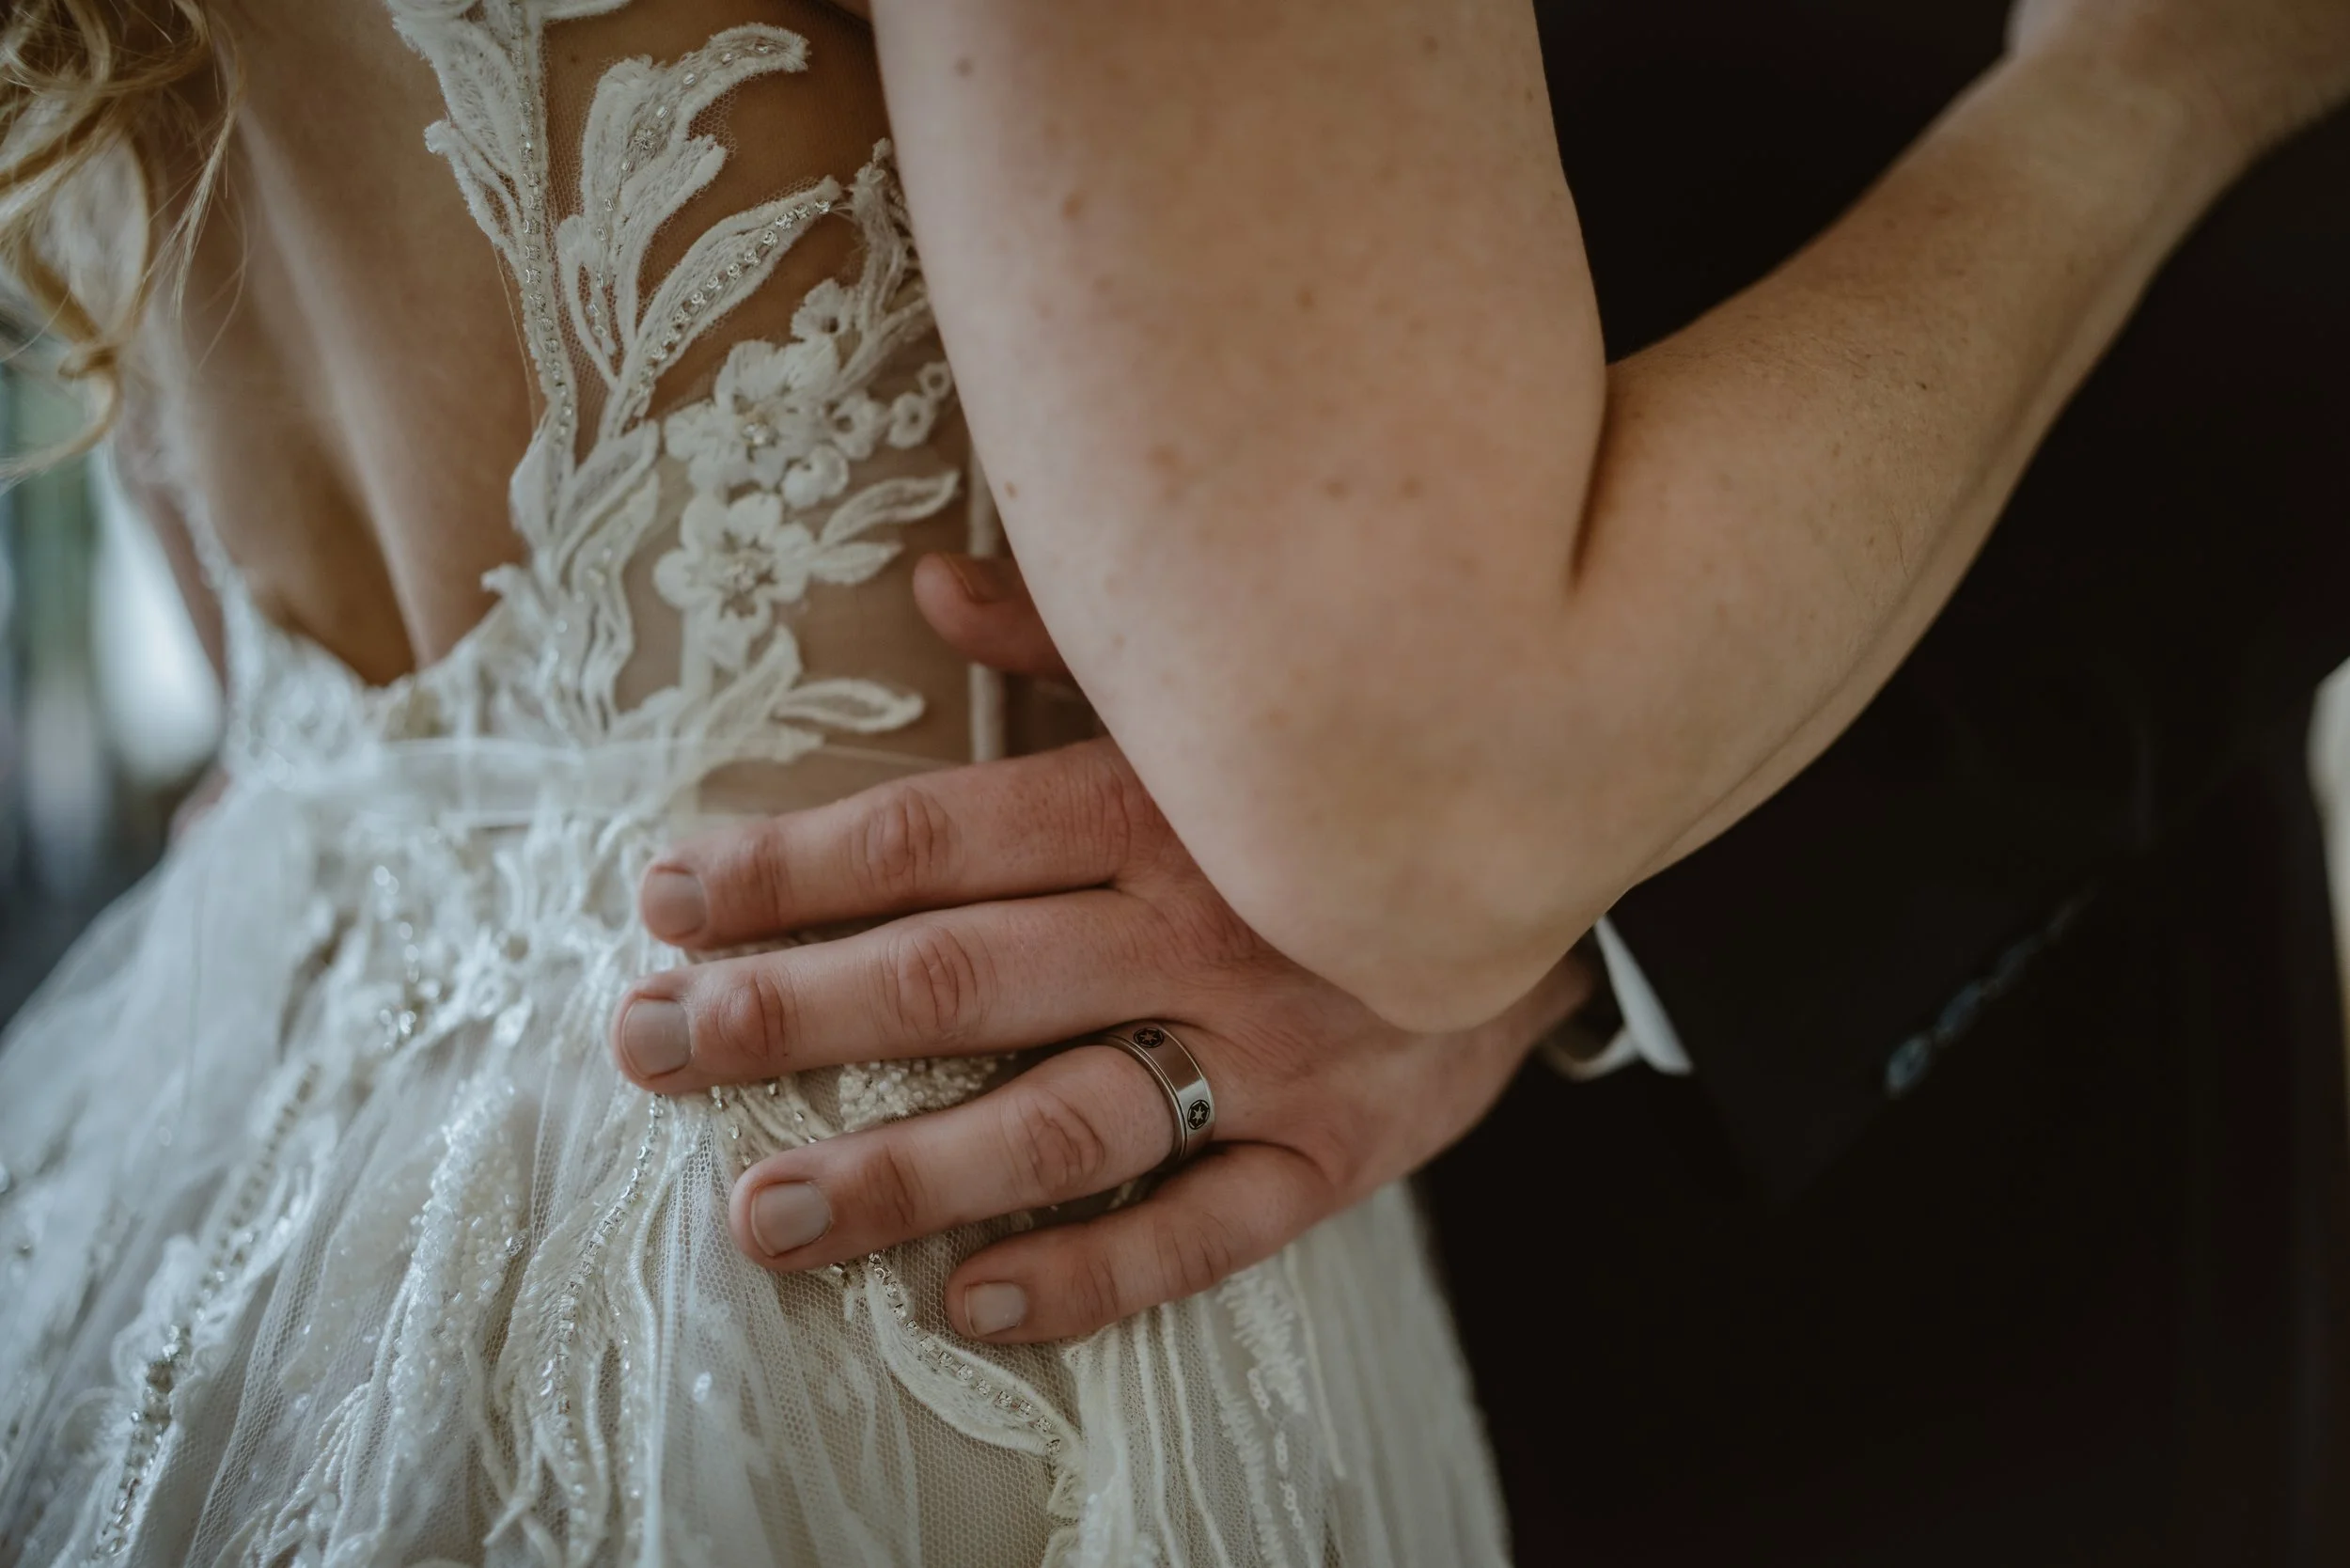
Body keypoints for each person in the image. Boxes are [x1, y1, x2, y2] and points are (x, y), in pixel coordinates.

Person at [0, 7, 2339, 1568]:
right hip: (922, 1284)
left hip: (283, 1172)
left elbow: (275, 591)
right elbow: (1420, 803)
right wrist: (2140, 86)